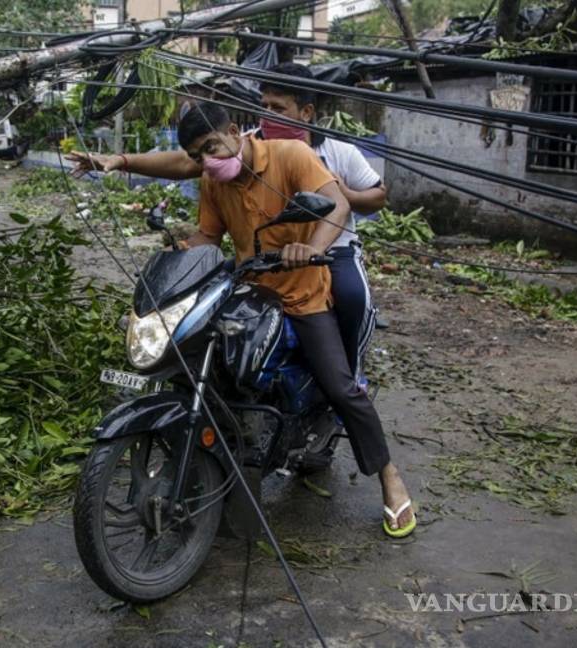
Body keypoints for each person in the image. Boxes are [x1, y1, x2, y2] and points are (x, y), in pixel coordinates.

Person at [174, 102, 415, 538]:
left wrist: (311, 246)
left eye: (210, 147)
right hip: (249, 292)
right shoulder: (214, 182)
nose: (206, 162)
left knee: (341, 386)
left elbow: (338, 205)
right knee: (210, 368)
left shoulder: (290, 155)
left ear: (234, 131)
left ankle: (389, 477)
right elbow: (209, 236)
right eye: (197, 157)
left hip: (303, 293)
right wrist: (181, 249)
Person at [67, 63, 385, 382]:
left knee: (350, 297)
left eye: (279, 108)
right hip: (262, 254)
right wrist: (121, 161)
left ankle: (349, 367)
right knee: (207, 295)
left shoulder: (331, 151)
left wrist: (338, 193)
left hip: (327, 249)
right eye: (264, 107)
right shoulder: (242, 146)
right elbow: (185, 163)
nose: (268, 115)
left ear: (306, 112)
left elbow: (372, 197)